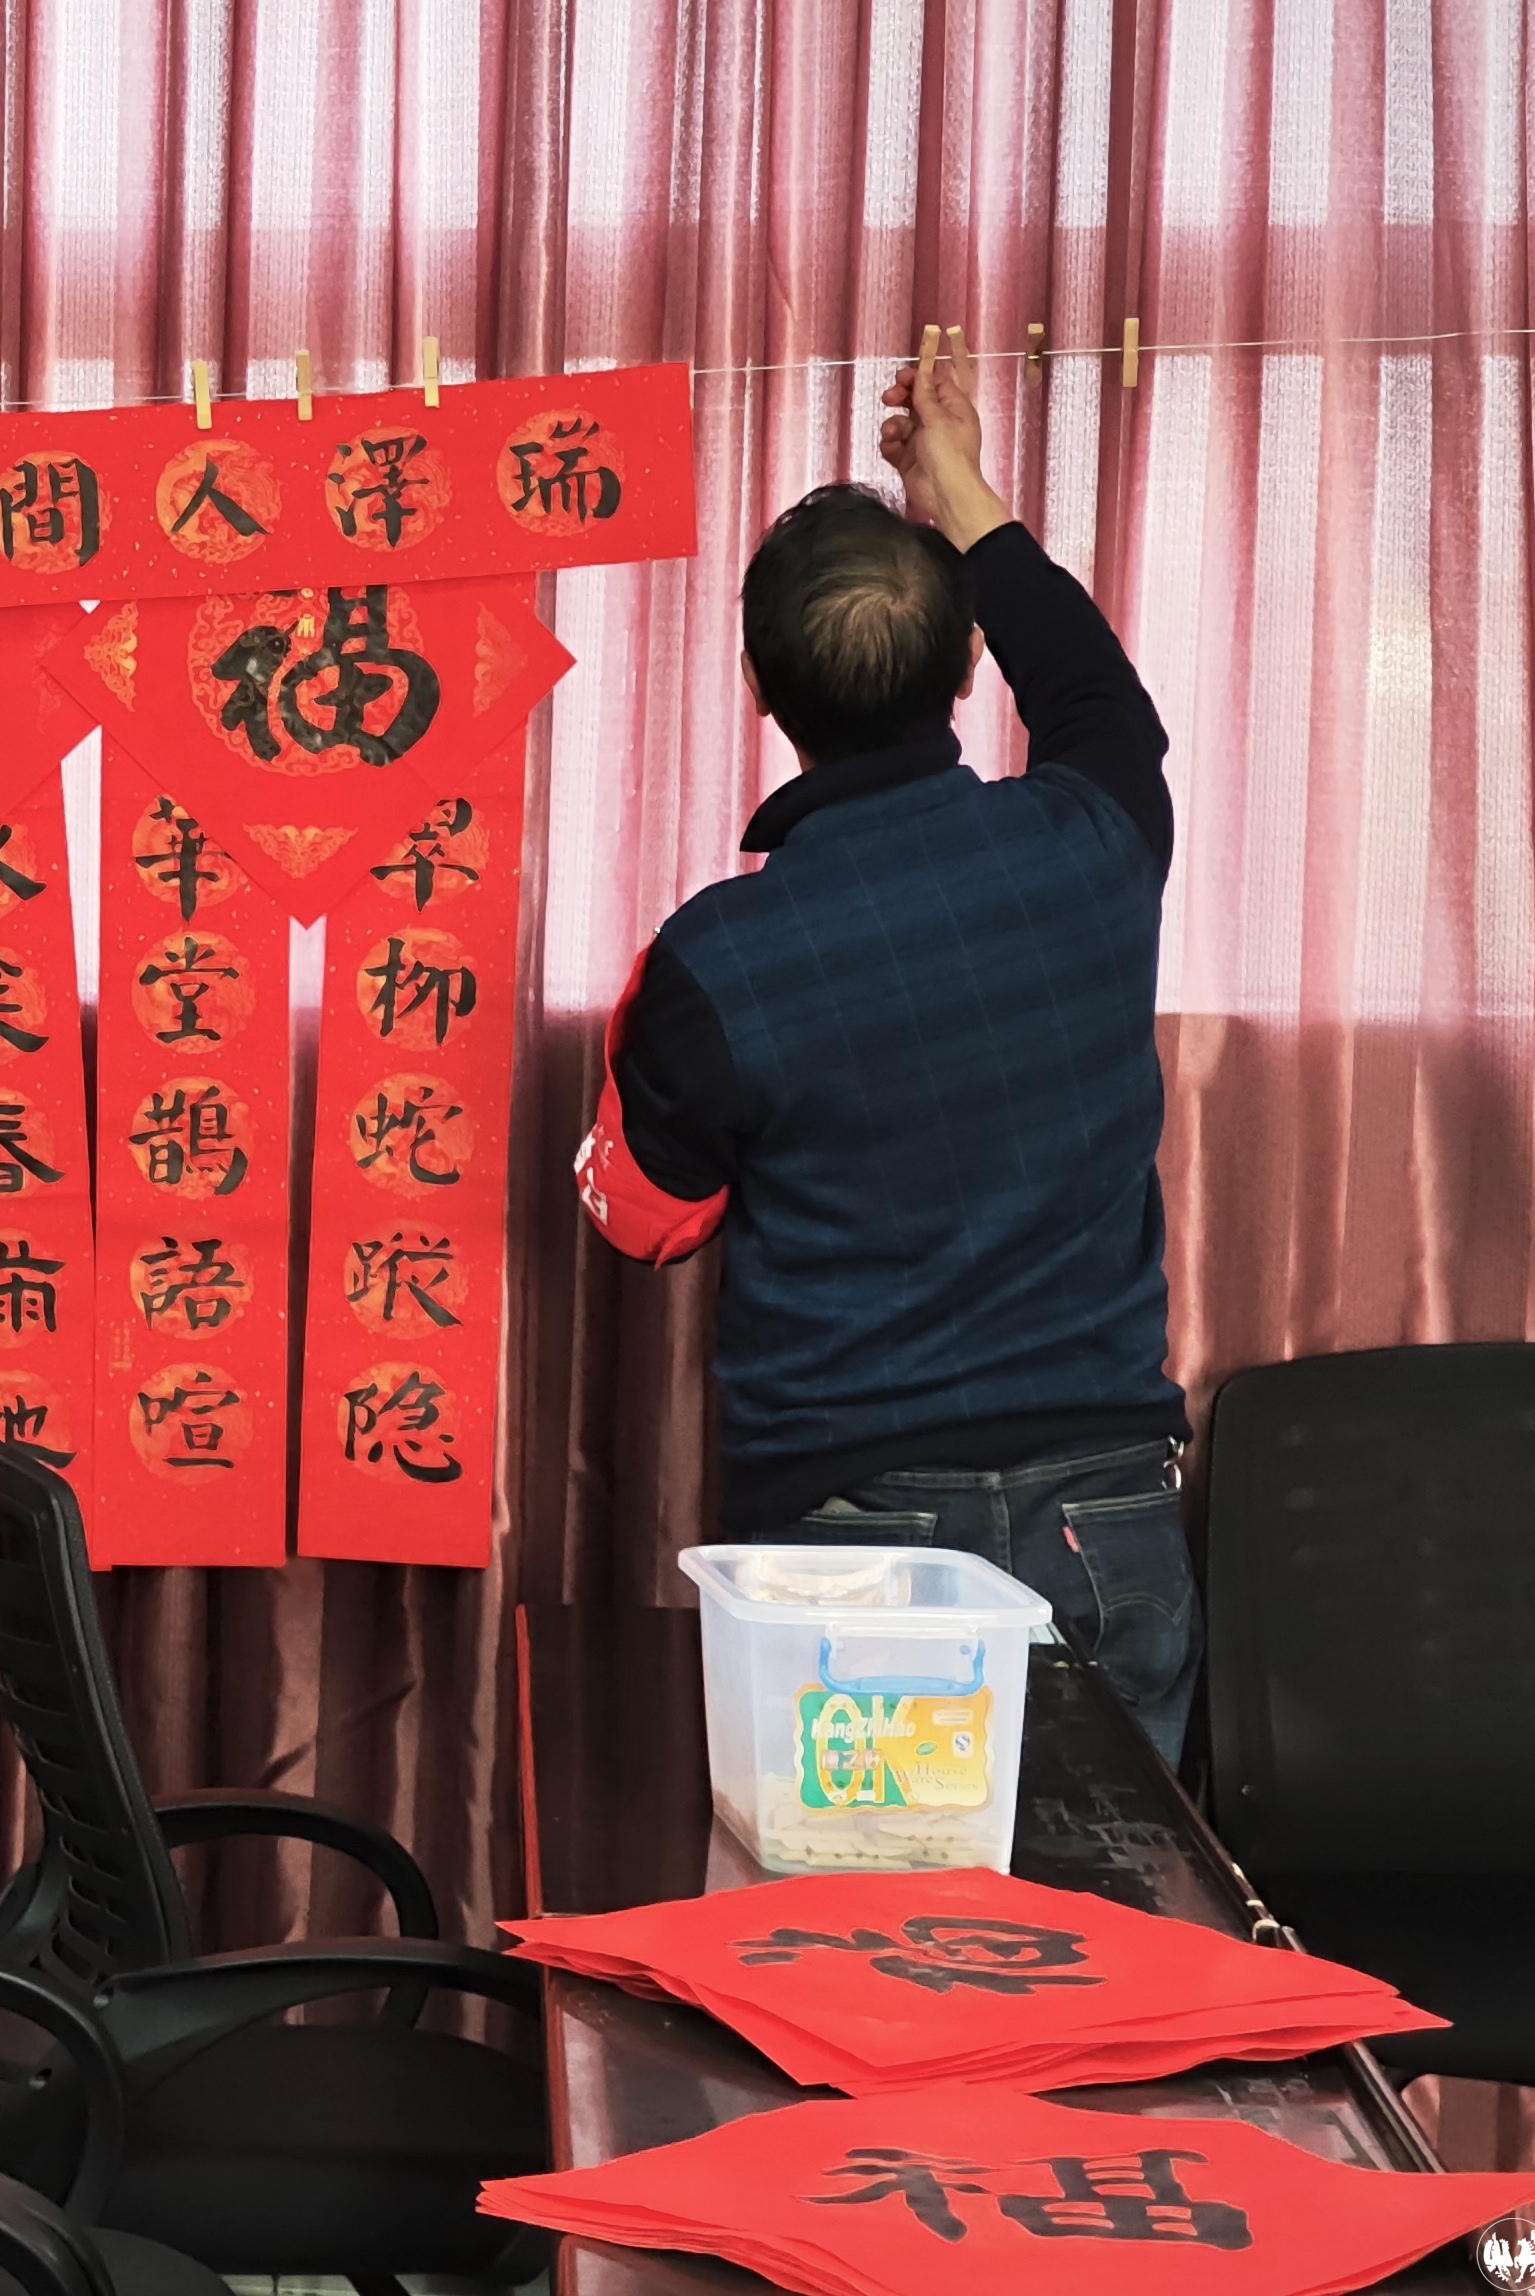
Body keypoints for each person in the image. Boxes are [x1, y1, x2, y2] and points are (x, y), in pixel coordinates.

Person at [575, 343, 1195, 1758]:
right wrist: (957, 486)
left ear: (757, 685)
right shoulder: (1095, 839)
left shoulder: (717, 958)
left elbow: (644, 1220)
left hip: (847, 1533)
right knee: (1104, 1898)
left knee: (863, 1900)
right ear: (972, 661)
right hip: (1106, 1512)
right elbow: (1098, 699)